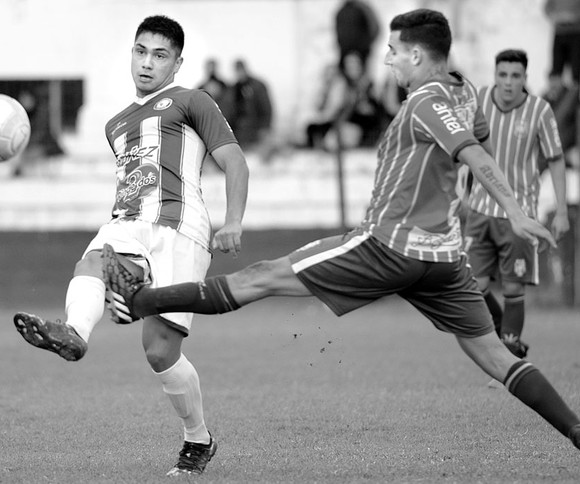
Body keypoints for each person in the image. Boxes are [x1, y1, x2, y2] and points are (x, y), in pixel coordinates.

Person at [103, 9, 580, 455]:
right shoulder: (459, 92)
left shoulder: (424, 103)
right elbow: (478, 130)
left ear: (416, 56)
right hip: (442, 260)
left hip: (386, 244)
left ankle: (144, 301)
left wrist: (514, 211)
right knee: (497, 358)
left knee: (262, 277)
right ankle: (574, 429)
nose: (388, 58)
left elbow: (471, 151)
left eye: (394, 49)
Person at [12, 15, 249, 477]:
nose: (147, 63)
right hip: (128, 222)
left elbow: (235, 163)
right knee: (95, 258)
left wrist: (234, 220)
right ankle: (75, 333)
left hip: (183, 229)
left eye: (160, 55)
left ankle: (198, 440)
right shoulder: (116, 124)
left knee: (160, 352)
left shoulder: (192, 101)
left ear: (177, 64)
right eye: (140, 51)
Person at [463, 50, 570, 359]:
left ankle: (509, 357)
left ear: (525, 78)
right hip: (480, 210)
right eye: (503, 75)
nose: (508, 83)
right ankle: (504, 341)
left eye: (515, 76)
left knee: (512, 289)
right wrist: (460, 187)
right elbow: (461, 145)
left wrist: (561, 212)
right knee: (473, 286)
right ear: (495, 75)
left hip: (518, 214)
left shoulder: (539, 110)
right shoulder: (479, 100)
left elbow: (556, 159)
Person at [11, 86, 65, 178]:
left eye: (26, 97)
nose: (24, 101)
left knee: (25, 155)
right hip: (32, 147)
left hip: (47, 147)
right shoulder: (22, 115)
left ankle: (18, 172)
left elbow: (40, 134)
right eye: (22, 98)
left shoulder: (40, 114)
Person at [227, 59, 275, 162]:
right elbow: (230, 110)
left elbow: (266, 107)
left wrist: (265, 126)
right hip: (240, 129)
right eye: (237, 70)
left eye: (240, 70)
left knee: (262, 156)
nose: (239, 73)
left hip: (257, 127)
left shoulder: (258, 86)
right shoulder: (233, 88)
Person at [302, 62, 348, 151]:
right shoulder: (322, 86)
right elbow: (315, 103)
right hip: (322, 117)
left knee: (322, 129)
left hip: (333, 119)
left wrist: (322, 117)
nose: (329, 76)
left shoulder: (340, 86)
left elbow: (335, 107)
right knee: (311, 128)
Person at [334, 0, 380, 74]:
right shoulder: (341, 11)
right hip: (346, 53)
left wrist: (365, 45)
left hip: (361, 53)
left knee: (362, 77)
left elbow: (375, 29)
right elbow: (338, 33)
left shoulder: (363, 9)